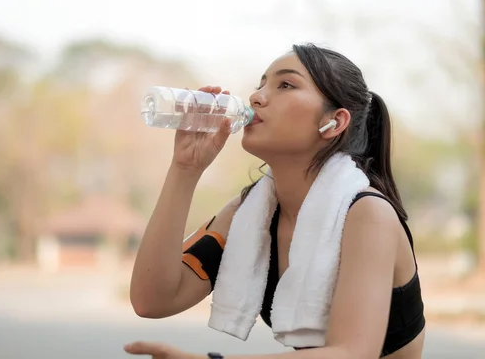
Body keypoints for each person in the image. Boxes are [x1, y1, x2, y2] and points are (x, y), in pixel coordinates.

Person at [125, 44, 426, 359]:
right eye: (261, 84)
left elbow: (351, 353)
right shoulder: (250, 213)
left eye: (285, 85)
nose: (256, 97)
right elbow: (152, 300)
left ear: (334, 123)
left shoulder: (368, 214)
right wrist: (185, 170)